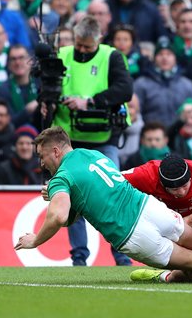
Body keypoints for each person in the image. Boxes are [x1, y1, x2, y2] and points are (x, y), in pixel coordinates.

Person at [14, 127, 192, 274]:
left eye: (42, 156)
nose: (42, 163)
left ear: (55, 151)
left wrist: (36, 240)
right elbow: (85, 203)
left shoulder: (61, 177)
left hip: (130, 232)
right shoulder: (94, 154)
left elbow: (59, 216)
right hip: (148, 207)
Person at [49, 15, 134, 267]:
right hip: (69, 138)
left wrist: (90, 101)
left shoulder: (111, 56)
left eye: (87, 46)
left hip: (103, 135)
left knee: (112, 193)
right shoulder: (62, 55)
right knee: (72, 196)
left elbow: (124, 89)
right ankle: (79, 257)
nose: (82, 50)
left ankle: (121, 254)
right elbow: (47, 88)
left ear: (98, 39)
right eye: (79, 45)